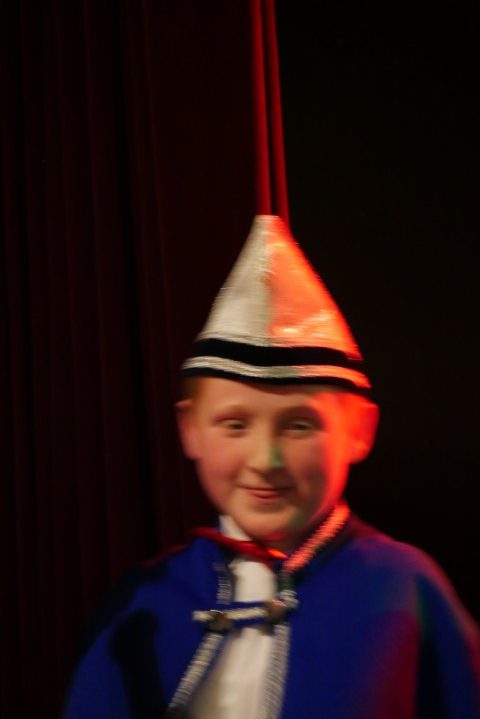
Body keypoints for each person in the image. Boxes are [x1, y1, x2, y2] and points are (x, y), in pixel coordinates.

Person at [62, 215, 480, 718]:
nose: (266, 461)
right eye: (235, 425)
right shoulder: (144, 599)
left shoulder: (403, 589)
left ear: (360, 430)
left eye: (299, 426)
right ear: (190, 429)